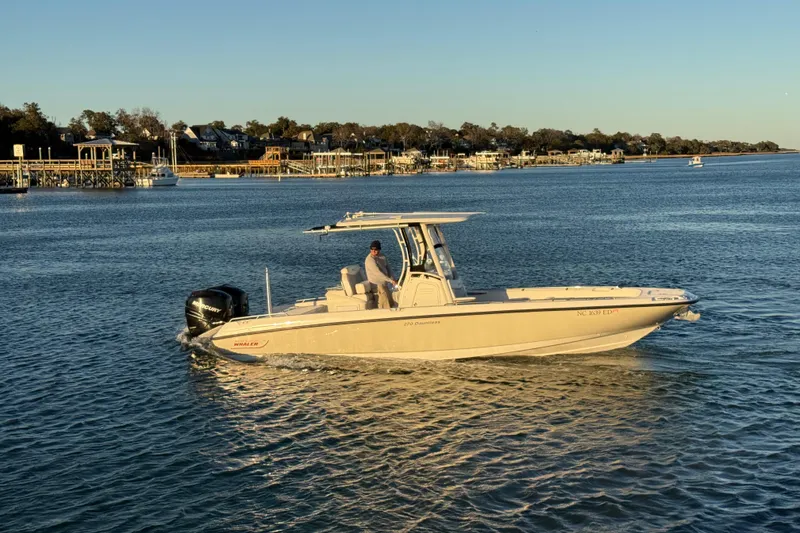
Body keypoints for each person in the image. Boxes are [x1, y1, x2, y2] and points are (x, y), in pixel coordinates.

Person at [364, 240, 397, 309]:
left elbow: (388, 268)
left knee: (391, 301)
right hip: (376, 284)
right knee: (385, 303)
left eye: (375, 250)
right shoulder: (370, 260)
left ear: (379, 249)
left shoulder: (382, 256)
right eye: (372, 249)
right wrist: (390, 281)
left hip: (384, 283)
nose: (373, 251)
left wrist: (393, 278)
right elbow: (378, 273)